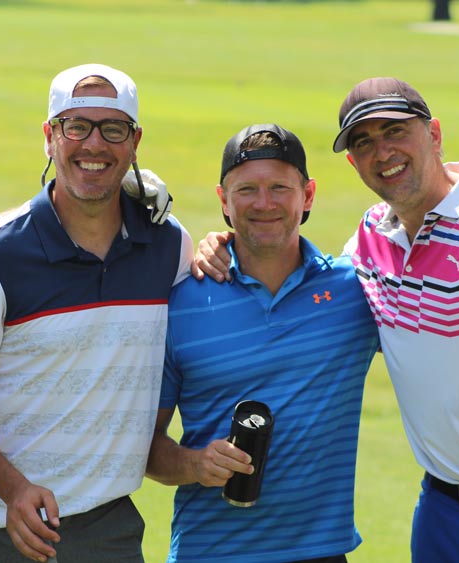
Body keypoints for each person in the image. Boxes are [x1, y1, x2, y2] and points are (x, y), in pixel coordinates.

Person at [197, 78, 459, 562]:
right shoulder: (373, 236)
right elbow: (306, 282)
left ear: (434, 135)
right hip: (441, 513)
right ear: (353, 163)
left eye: (395, 132)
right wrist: (229, 241)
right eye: (364, 142)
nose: (383, 152)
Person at [0, 63, 193, 563]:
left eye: (113, 129)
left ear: (135, 141)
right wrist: (14, 489)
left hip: (111, 526)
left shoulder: (171, 247)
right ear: (49, 136)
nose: (94, 145)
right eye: (77, 126)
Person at [145, 124, 379, 563]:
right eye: (247, 189)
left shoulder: (353, 292)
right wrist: (195, 464)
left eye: (279, 188)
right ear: (223, 201)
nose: (265, 203)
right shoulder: (181, 302)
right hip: (209, 551)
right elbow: (145, 446)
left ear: (307, 196)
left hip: (321, 552)